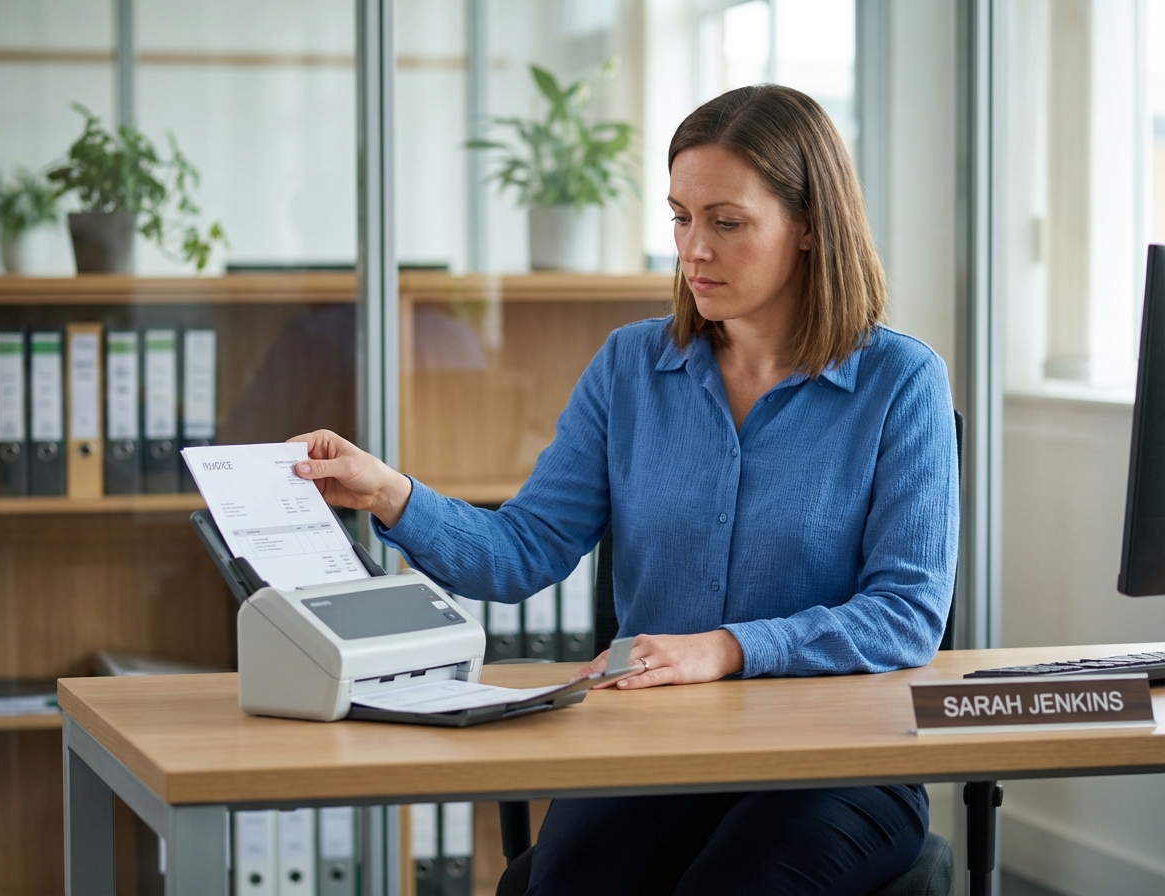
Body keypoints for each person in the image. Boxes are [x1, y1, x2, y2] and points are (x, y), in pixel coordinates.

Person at [290, 84, 958, 896]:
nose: (693, 249)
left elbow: (906, 613)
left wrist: (727, 648)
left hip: (839, 759)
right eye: (680, 218)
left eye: (727, 222)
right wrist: (388, 492)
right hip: (657, 744)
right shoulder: (630, 366)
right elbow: (522, 551)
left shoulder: (901, 381)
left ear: (811, 225)